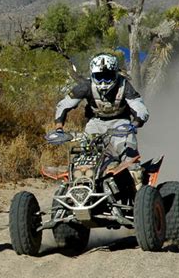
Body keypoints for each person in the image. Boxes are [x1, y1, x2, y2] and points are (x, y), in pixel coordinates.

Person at [54, 53, 149, 187]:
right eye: (99, 76)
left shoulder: (124, 86)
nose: (103, 81)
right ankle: (82, 188)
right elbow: (63, 105)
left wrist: (134, 124)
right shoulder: (86, 86)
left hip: (121, 123)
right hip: (95, 123)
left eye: (107, 76)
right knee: (85, 158)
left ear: (115, 74)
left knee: (129, 157)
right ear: (93, 75)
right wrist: (59, 128)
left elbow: (140, 107)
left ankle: (140, 193)